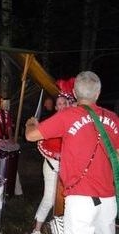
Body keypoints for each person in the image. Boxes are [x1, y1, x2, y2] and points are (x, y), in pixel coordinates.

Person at [26, 71, 119, 234]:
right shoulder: (114, 118)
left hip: (80, 201)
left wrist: (30, 123)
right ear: (98, 93)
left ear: (75, 93)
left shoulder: (67, 116)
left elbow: (30, 136)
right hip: (108, 200)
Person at [31, 95, 69, 234]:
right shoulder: (51, 122)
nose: (62, 106)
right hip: (52, 165)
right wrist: (54, 155)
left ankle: (61, 228)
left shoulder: (73, 124)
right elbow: (40, 144)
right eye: (59, 104)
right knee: (49, 199)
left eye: (64, 103)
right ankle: (37, 230)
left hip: (69, 167)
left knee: (68, 201)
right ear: (56, 107)